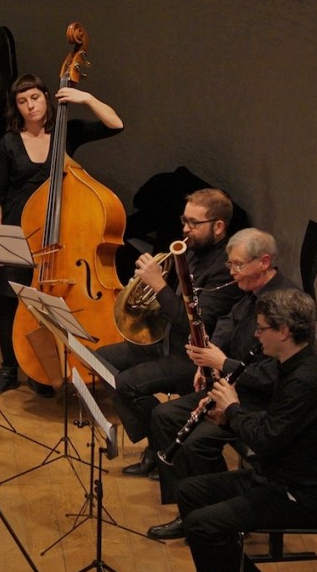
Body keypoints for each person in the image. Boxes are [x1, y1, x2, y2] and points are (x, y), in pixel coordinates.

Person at [177, 288, 317, 572]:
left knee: (201, 525)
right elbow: (274, 423)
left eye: (262, 328)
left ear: (284, 331)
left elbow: (266, 440)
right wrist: (226, 418)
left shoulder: (307, 380)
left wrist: (233, 408)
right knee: (189, 491)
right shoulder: (289, 366)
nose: (256, 334)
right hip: (274, 476)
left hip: (297, 493)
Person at [147, 228, 296, 539]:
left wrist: (222, 364)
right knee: (164, 416)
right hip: (234, 385)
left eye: (238, 265)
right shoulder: (249, 291)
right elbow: (229, 321)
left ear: (264, 262)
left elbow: (271, 377)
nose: (232, 272)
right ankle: (189, 509)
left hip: (261, 401)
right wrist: (209, 356)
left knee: (197, 443)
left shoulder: (286, 305)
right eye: (230, 264)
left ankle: (221, 515)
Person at [0, 73, 123, 397]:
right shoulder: (9, 143)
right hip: (20, 232)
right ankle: (9, 368)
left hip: (60, 236)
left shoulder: (65, 133)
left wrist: (86, 99)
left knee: (48, 303)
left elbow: (115, 124)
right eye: (22, 101)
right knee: (10, 302)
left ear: (47, 97)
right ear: (16, 107)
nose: (30, 106)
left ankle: (42, 369)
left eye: (35, 97)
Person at [97, 189, 242, 476]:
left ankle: (160, 447)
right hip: (166, 339)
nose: (185, 229)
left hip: (194, 357)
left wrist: (158, 286)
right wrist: (150, 285)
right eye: (184, 220)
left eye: (193, 223)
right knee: (102, 361)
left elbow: (193, 324)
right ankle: (158, 441)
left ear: (218, 226)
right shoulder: (190, 249)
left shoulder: (225, 268)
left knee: (126, 385)